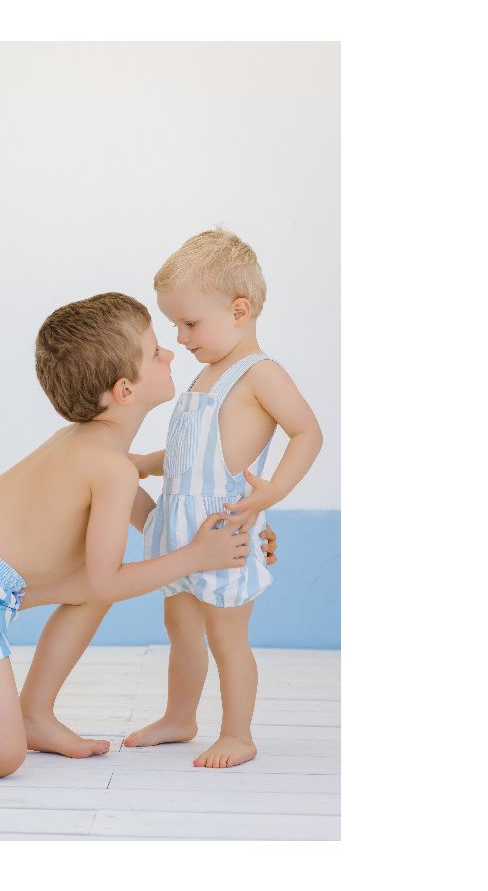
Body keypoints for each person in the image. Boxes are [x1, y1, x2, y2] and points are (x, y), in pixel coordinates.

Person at [0, 292, 276, 779]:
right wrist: (196, 557)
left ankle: (34, 715)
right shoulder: (109, 467)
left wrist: (237, 539)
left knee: (92, 587)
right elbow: (114, 579)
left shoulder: (101, 450)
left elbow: (155, 529)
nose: (169, 353)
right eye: (154, 352)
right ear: (125, 390)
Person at [127, 229, 323, 768]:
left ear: (239, 310)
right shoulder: (204, 377)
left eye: (189, 323)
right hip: (179, 529)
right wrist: (143, 464)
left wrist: (274, 490)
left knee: (226, 635)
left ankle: (238, 734)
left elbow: (307, 432)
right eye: (174, 324)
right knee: (180, 629)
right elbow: (189, 456)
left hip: (223, 529)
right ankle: (179, 717)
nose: (180, 337)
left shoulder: (261, 374)